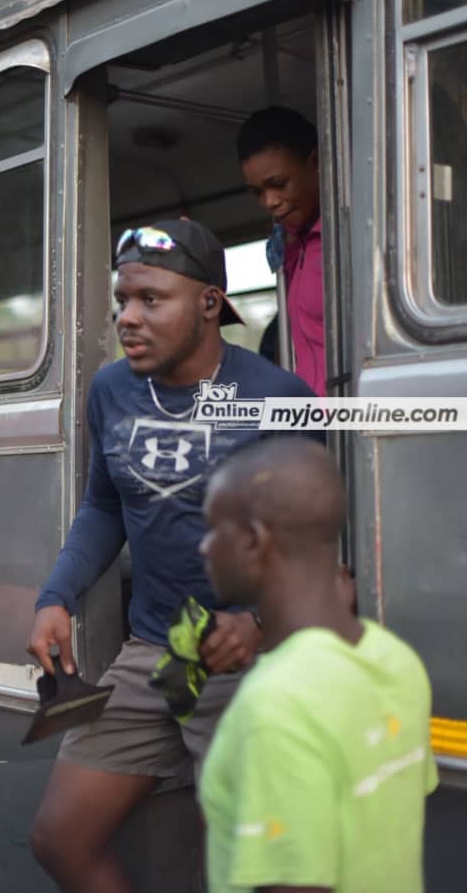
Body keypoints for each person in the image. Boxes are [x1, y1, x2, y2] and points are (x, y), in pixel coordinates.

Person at [27, 219, 316, 893]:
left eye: (150, 300)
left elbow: (321, 549)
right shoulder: (112, 391)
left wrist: (261, 624)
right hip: (156, 649)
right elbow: (104, 507)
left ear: (210, 304)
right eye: (122, 300)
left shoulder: (278, 401)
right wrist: (56, 596)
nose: (128, 318)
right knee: (59, 840)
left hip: (250, 665)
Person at [199, 438, 437, 893]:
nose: (204, 549)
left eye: (213, 530)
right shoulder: (395, 658)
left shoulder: (276, 705)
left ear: (254, 541)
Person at [237, 106, 325, 396]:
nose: (269, 202)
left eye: (278, 184)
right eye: (257, 192)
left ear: (315, 162)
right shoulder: (291, 248)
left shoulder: (344, 240)